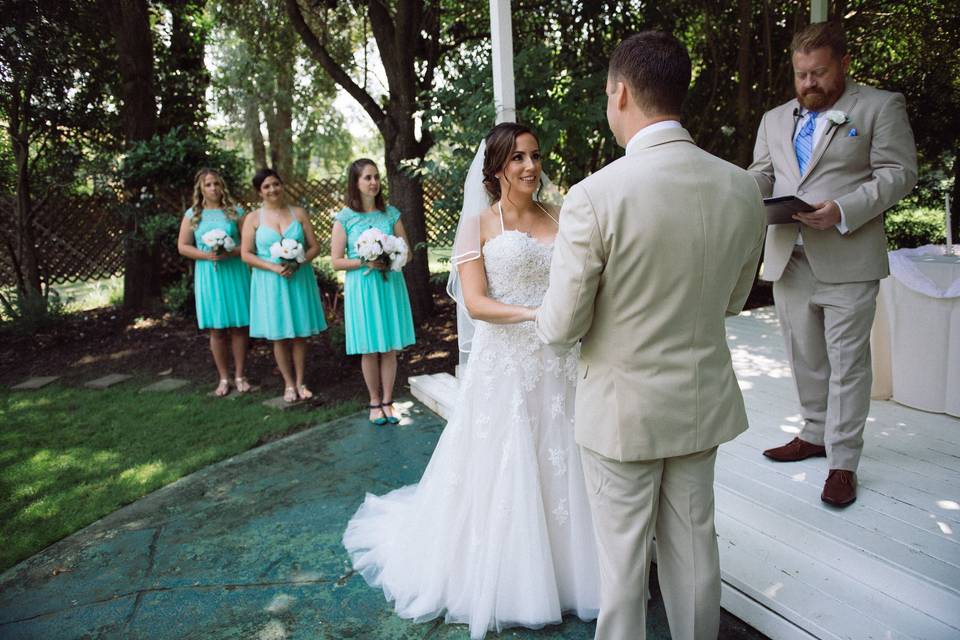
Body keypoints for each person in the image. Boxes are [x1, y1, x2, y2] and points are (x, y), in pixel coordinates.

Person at [534, 31, 766, 640]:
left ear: (621, 93)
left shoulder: (595, 196)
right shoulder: (742, 186)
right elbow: (735, 299)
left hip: (620, 411)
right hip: (699, 399)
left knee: (623, 563)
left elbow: (560, 326)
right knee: (695, 545)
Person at [342, 124, 600, 639]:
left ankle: (580, 569)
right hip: (508, 366)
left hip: (561, 366)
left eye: (535, 155)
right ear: (497, 168)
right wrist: (538, 315)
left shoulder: (562, 215)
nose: (530, 167)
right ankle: (516, 577)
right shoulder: (479, 223)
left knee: (565, 458)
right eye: (517, 158)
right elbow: (477, 303)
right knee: (507, 466)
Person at [748, 22, 917, 507]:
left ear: (843, 63)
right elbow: (762, 175)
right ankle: (814, 433)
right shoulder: (774, 119)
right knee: (805, 358)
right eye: (800, 75)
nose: (808, 84)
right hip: (789, 257)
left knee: (848, 365)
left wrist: (842, 210)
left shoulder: (881, 106)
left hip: (849, 256)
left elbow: (899, 173)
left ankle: (843, 461)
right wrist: (724, 188)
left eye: (818, 73)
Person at [330, 159, 416, 425]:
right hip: (362, 287)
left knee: (389, 347)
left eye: (376, 177)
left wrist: (390, 259)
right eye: (367, 177)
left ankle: (389, 401)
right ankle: (374, 402)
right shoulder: (344, 218)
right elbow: (335, 261)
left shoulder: (391, 214)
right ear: (355, 183)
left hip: (389, 284)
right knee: (369, 348)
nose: (374, 182)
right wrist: (364, 261)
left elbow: (408, 252)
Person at [241, 168, 327, 402]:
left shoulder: (298, 213)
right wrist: (273, 267)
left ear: (282, 185)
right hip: (270, 282)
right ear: (260, 192)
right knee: (279, 335)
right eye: (266, 186)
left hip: (298, 278)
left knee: (300, 334)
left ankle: (301, 382)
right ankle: (288, 384)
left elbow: (315, 247)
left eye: (276, 184)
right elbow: (246, 255)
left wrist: (300, 262)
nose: (272, 190)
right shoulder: (253, 219)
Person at [176, 168, 252, 397]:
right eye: (208, 185)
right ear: (200, 188)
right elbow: (183, 246)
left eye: (217, 184)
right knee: (217, 329)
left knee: (239, 326)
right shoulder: (192, 215)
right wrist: (207, 255)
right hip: (209, 274)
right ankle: (223, 378)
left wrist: (230, 250)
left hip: (234, 271)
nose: (214, 189)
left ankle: (240, 375)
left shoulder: (235, 211)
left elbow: (249, 244)